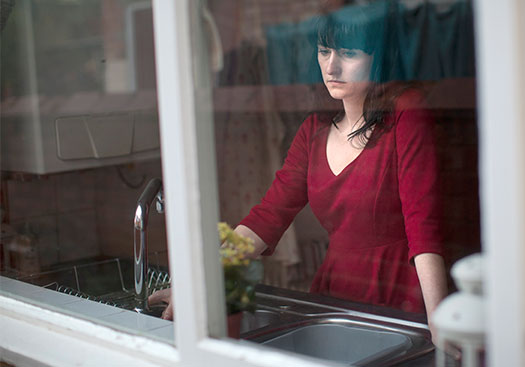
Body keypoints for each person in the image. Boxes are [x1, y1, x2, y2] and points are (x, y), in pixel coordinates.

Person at [150, 4, 447, 342]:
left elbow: (423, 225)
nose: (331, 66)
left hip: (397, 295)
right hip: (334, 297)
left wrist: (439, 321)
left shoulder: (406, 114)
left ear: (379, 56)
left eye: (348, 53)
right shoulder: (314, 129)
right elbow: (267, 217)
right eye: (324, 51)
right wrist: (197, 285)